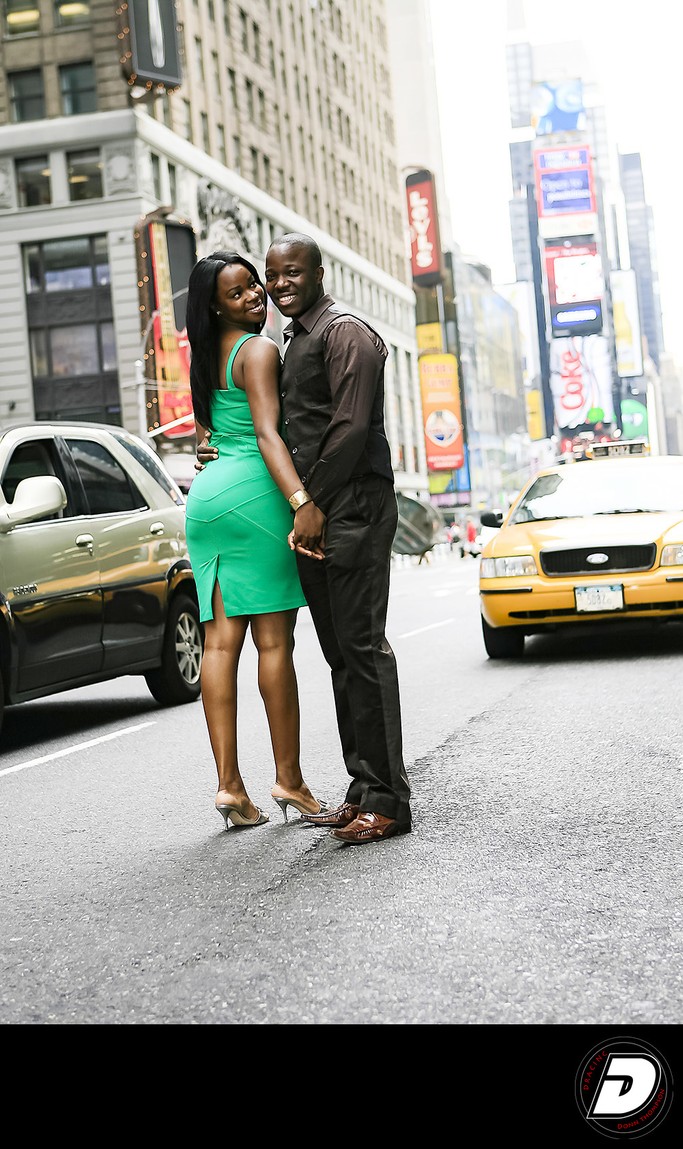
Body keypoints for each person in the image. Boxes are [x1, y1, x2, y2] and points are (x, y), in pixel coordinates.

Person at [197, 233, 411, 845]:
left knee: (364, 652)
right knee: (341, 655)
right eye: (271, 275)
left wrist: (307, 501)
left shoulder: (347, 334)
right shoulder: (292, 340)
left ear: (318, 272)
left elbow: (347, 430)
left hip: (352, 510)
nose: (278, 284)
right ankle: (364, 787)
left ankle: (389, 801)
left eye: (291, 272)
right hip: (315, 516)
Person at [184, 250, 328, 831]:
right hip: (256, 499)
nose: (255, 297)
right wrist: (302, 501)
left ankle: (229, 788)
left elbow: (210, 431)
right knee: (274, 646)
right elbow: (267, 434)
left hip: (207, 501)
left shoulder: (205, 354)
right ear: (216, 306)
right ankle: (288, 780)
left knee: (219, 646)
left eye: (253, 286)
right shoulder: (260, 349)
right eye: (238, 293)